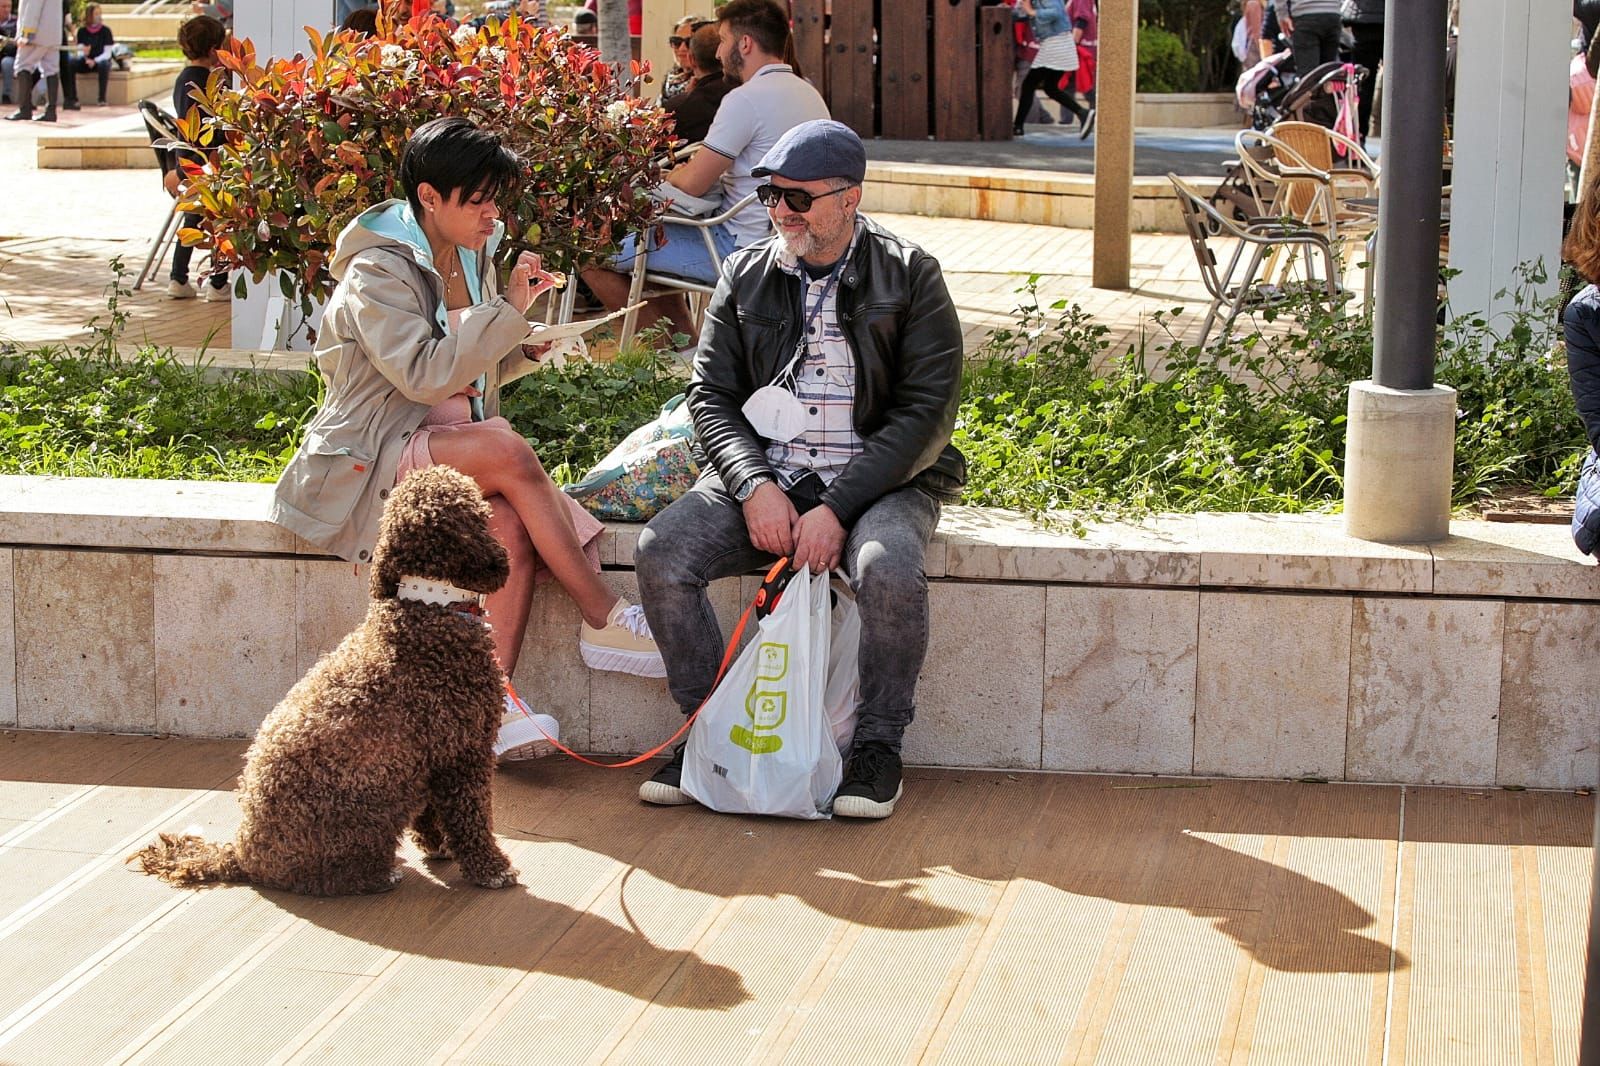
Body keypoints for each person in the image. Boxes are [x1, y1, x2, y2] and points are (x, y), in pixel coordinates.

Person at [270, 117, 665, 763]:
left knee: (507, 526)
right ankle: (604, 618)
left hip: (444, 441)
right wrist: (503, 317)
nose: (491, 214)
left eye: (495, 200)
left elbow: (470, 370)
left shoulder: (472, 252)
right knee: (510, 453)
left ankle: (492, 702)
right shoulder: (377, 270)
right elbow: (424, 376)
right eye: (476, 200)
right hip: (374, 452)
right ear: (429, 197)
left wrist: (523, 341)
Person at [632, 119, 967, 820]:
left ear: (850, 198)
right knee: (663, 552)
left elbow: (926, 414)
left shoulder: (910, 275)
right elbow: (711, 396)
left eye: (797, 196)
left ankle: (877, 749)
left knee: (888, 570)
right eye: (770, 193)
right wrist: (753, 486)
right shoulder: (746, 273)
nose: (779, 209)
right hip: (769, 474)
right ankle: (706, 734)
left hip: (880, 480)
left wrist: (838, 507)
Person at [579, 0, 828, 350]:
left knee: (590, 251)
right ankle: (690, 351)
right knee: (656, 242)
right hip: (791, 242)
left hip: (737, 248)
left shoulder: (747, 99)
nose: (720, 52)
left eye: (724, 40)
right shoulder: (810, 95)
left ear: (745, 44)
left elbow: (693, 182)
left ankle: (672, 357)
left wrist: (669, 176)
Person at [165, 15, 231, 300]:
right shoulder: (209, 82)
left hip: (190, 163)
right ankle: (218, 282)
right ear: (215, 48)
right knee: (220, 220)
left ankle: (178, 277)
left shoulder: (184, 78)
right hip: (207, 162)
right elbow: (203, 132)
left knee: (192, 220)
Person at [1011, 0, 1088, 136]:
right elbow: (1021, 14)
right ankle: (1083, 113)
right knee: (1050, 88)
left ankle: (1018, 126)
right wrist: (1007, 11)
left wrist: (1031, 11)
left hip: (1056, 42)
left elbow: (1056, 12)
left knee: (1029, 84)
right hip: (1056, 43)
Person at [661, 22, 730, 146]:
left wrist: (687, 98)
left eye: (687, 42)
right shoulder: (745, 94)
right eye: (676, 41)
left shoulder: (677, 109)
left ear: (692, 59)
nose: (681, 48)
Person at [4, 0, 61, 122]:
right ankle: (51, 111)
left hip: (36, 34)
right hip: (53, 33)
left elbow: (32, 9)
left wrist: (26, 34)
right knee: (51, 69)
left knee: (22, 65)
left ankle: (24, 109)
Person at [1344, 0, 1383, 143]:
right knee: (1399, 81)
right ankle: (1402, 139)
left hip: (1363, 20)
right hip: (1395, 19)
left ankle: (1357, 138)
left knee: (1362, 84)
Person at [61, 0, 111, 109]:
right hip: (86, 61)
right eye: (96, 14)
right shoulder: (82, 31)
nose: (98, 16)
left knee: (104, 64)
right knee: (71, 63)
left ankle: (102, 98)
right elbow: (80, 48)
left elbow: (108, 52)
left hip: (99, 61)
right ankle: (72, 98)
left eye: (99, 13)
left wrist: (95, 61)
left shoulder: (106, 31)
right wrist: (84, 56)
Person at [1277, 0, 1343, 73]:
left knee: (1308, 74)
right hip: (1332, 12)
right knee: (1327, 72)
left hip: (1304, 13)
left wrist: (1282, 14)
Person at [660, 14, 705, 100]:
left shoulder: (705, 83)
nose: (682, 48)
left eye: (689, 42)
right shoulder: (670, 79)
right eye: (677, 42)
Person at [1, 0, 18, 105]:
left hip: (10, 55)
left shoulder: (16, 22)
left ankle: (6, 95)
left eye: (9, 7)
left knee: (7, 63)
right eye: (3, 7)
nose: (7, 9)